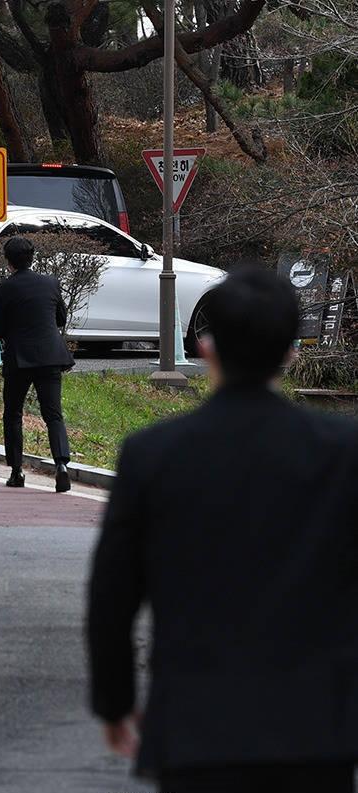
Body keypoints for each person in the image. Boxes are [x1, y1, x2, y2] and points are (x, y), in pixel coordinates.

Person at [87, 267, 358, 793]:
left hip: (196, 723)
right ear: (290, 353)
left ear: (206, 347)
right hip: (317, 723)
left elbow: (113, 595)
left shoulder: (153, 453)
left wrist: (114, 702)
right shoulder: (342, 452)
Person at [0, 236, 74, 493]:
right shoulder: (51, 283)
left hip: (19, 358)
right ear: (32, 257)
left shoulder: (3, 289)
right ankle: (61, 465)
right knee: (53, 414)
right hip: (50, 355)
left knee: (13, 413)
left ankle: (17, 470)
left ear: (8, 262)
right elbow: (60, 318)